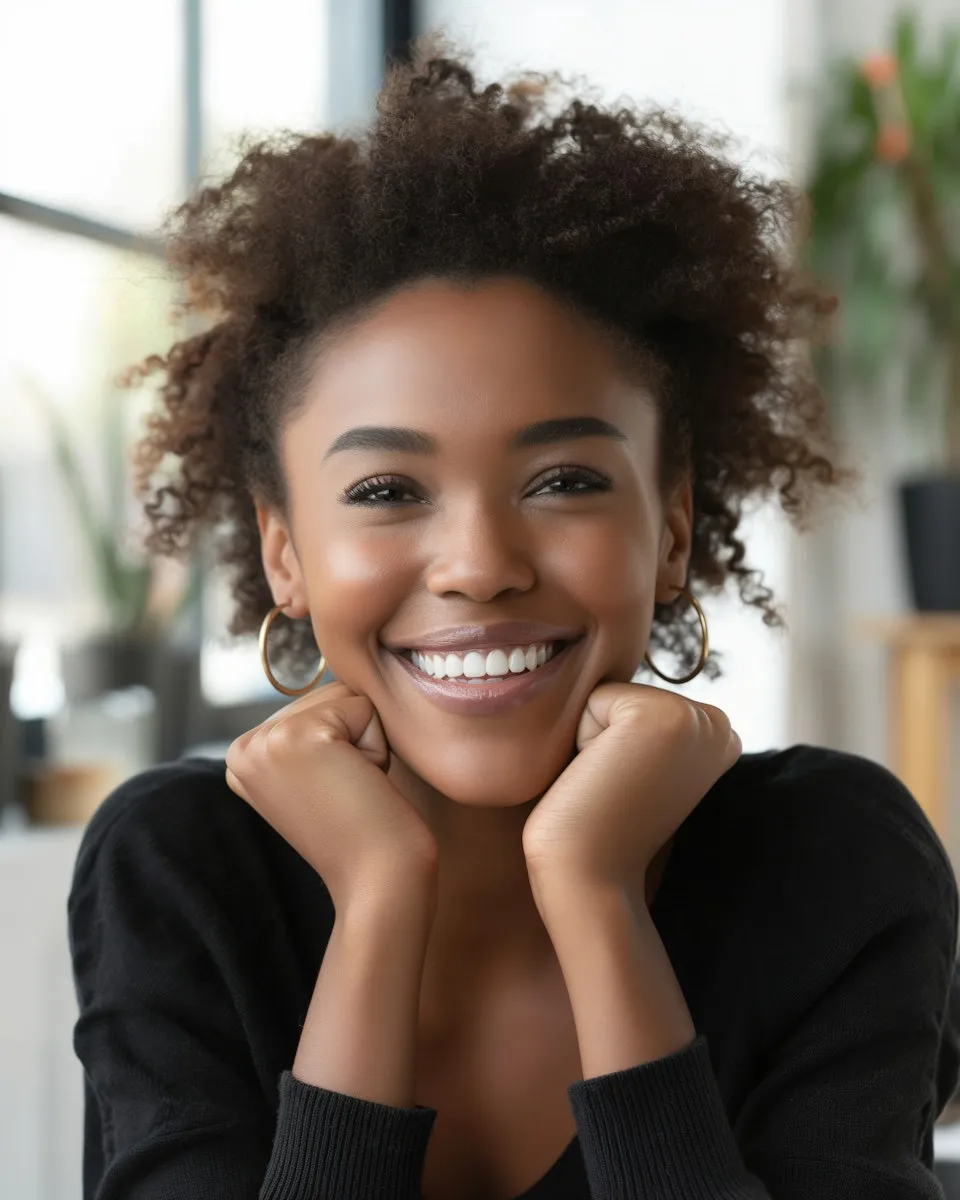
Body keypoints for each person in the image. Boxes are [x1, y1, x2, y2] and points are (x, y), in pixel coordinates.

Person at [68, 36, 960, 1200]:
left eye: (565, 482)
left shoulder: (835, 861)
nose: (481, 565)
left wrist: (596, 898)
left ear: (674, 525)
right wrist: (380, 901)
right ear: (284, 551)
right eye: (386, 491)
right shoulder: (180, 872)